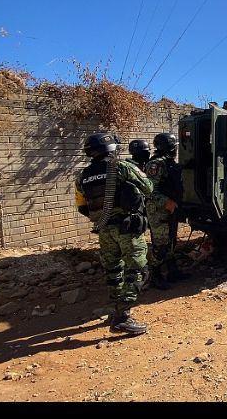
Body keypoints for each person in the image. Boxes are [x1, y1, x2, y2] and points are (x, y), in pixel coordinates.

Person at [75, 133, 154, 334]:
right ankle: (122, 317)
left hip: (104, 230)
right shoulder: (122, 167)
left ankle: (115, 310)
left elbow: (82, 207)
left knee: (114, 272)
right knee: (138, 270)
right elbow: (148, 187)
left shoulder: (82, 176)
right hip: (127, 228)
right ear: (111, 149)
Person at [145, 132, 189, 288]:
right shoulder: (155, 165)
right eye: (174, 147)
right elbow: (149, 190)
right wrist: (166, 202)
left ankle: (172, 271)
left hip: (170, 208)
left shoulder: (168, 162)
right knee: (161, 245)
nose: (176, 150)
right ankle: (154, 277)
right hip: (159, 210)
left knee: (170, 241)